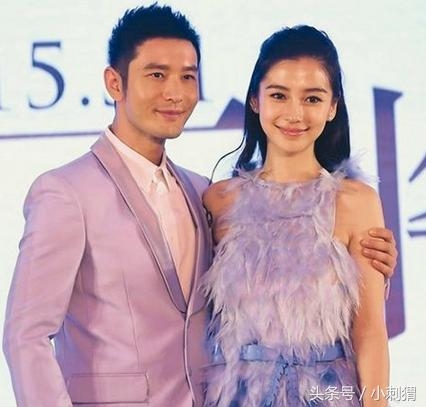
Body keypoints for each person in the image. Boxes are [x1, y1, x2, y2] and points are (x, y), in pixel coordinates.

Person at [2, 5, 396, 407]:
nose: (174, 92)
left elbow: (357, 324)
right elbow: (25, 336)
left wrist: (367, 267)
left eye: (187, 77)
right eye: (157, 75)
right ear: (114, 83)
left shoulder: (199, 192)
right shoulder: (70, 192)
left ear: (332, 107)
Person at [203, 26, 390, 406]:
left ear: (332, 107)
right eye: (278, 95)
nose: (294, 113)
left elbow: (370, 331)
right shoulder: (218, 200)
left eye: (312, 98)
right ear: (255, 100)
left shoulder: (356, 201)